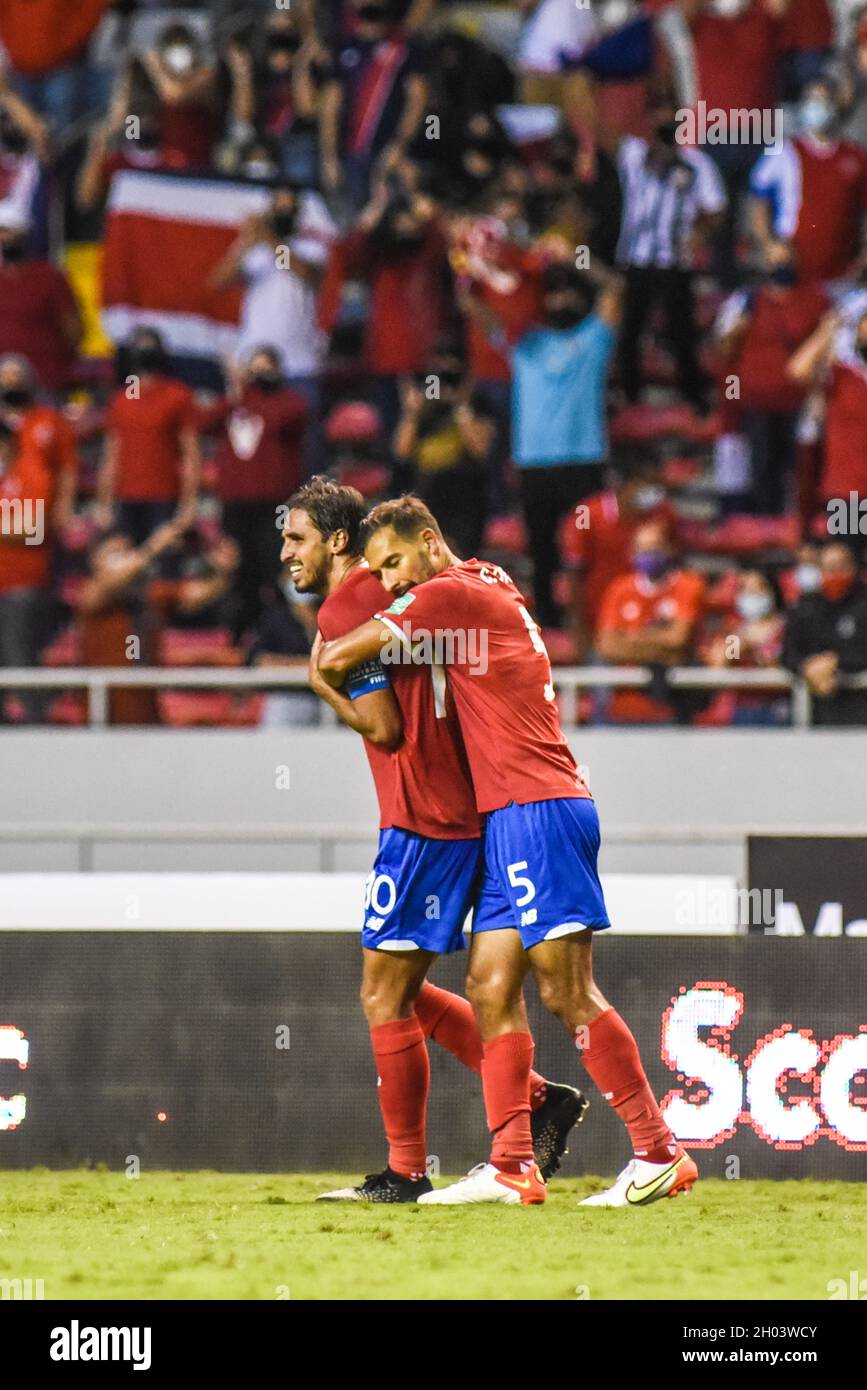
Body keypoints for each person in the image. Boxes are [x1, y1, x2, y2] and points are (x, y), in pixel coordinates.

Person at [318, 496, 697, 1207]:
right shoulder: (486, 580)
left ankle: (657, 1150)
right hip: (506, 816)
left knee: (564, 989)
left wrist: (319, 664)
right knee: (490, 988)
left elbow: (341, 656)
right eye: (375, 570)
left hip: (538, 806)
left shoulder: (447, 594)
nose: (391, 581)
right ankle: (512, 1163)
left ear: (429, 542)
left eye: (394, 562)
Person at [284, 478, 586, 1202]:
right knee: (423, 989)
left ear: (336, 542)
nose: (285, 552)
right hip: (462, 811)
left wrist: (319, 681)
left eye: (295, 538)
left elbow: (385, 726)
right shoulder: (416, 591)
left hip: (423, 820)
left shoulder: (348, 603)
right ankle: (531, 1110)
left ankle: (405, 1171)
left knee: (383, 995)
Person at [463, 260, 622, 629]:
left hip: (584, 462)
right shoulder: (525, 345)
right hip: (535, 465)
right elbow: (475, 308)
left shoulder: (593, 340)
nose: (560, 300)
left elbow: (616, 289)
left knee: (590, 552)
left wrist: (576, 257)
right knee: (543, 554)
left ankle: (598, 622)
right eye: (553, 293)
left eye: (568, 292)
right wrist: (474, 268)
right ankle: (550, 629)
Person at [211, 182, 335, 476]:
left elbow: (305, 272)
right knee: (253, 448)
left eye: (286, 204)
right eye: (276, 204)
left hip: (298, 364)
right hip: (254, 363)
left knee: (305, 447)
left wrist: (266, 237)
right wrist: (245, 242)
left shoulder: (311, 245)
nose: (281, 210)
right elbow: (220, 281)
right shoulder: (254, 248)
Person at [616, 94, 726, 411]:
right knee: (630, 332)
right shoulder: (634, 155)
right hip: (635, 258)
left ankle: (693, 398)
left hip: (675, 260)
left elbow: (716, 208)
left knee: (681, 332)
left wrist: (698, 235)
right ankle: (631, 398)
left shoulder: (696, 163)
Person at [198, 345, 307, 637]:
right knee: (238, 573)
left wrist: (250, 394)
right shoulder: (235, 403)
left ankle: (287, 634)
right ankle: (239, 635)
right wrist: (236, 393)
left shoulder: (286, 402)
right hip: (236, 505)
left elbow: (289, 418)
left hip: (273, 504)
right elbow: (203, 423)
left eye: (265, 369)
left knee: (276, 568)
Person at [714, 239, 828, 513]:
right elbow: (723, 350)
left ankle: (801, 527)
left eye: (784, 259)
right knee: (764, 468)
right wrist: (737, 330)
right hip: (757, 401)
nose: (780, 266)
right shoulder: (746, 300)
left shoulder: (815, 300)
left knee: (800, 468)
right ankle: (768, 526)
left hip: (799, 401)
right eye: (774, 260)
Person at [561, 443, 677, 661]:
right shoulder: (587, 516)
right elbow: (574, 577)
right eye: (648, 483)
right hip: (602, 630)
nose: (655, 491)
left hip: (650, 630)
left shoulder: (663, 515)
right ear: (625, 484)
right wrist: (581, 634)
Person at [749, 77, 867, 286]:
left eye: (823, 101)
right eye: (812, 100)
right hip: (794, 270)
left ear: (835, 105)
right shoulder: (784, 151)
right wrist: (768, 245)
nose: (816, 107)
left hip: (841, 273)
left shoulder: (856, 157)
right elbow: (758, 202)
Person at [95, 326, 201, 549]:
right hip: (127, 498)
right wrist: (104, 502)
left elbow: (191, 454)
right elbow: (111, 455)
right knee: (126, 567)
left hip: (165, 496)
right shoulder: (122, 400)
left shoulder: (178, 396)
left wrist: (189, 504)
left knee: (164, 564)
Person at [595, 519, 707, 724]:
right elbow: (607, 646)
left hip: (672, 705)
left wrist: (631, 639)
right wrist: (662, 649)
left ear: (670, 549)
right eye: (642, 549)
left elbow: (679, 641)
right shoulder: (619, 589)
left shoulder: (689, 585)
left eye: (654, 548)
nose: (648, 556)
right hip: (623, 707)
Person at [319, 0, 429, 209]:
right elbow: (330, 105)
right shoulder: (343, 49)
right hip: (350, 153)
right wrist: (329, 156)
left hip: (387, 155)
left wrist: (401, 144)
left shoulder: (405, 49)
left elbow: (418, 100)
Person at [392, 343, 494, 557]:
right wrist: (412, 413)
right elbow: (402, 452)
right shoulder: (424, 409)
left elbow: (480, 450)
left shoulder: (479, 405)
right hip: (425, 499)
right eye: (439, 374)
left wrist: (461, 405)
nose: (445, 380)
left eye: (452, 373)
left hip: (466, 504)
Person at [0, 418, 54, 720]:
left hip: (20, 590)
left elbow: (34, 528)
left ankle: (38, 729)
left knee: (21, 663)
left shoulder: (31, 475)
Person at [783, 541, 867, 726]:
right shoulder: (806, 607)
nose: (835, 574)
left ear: (854, 568)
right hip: (815, 711)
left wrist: (835, 663)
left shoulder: (863, 604)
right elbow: (788, 653)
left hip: (859, 710)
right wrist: (808, 666)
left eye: (841, 567)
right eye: (829, 568)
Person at [0, 218, 81, 395]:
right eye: (3, 232)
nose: (6, 239)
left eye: (12, 232)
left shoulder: (49, 277)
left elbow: (73, 329)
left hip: (44, 381)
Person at [0, 353, 77, 532]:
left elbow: (67, 467)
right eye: (6, 378)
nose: (12, 384)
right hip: (5, 504)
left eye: (17, 377)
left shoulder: (50, 420)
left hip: (39, 509)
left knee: (33, 540)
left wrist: (64, 506)